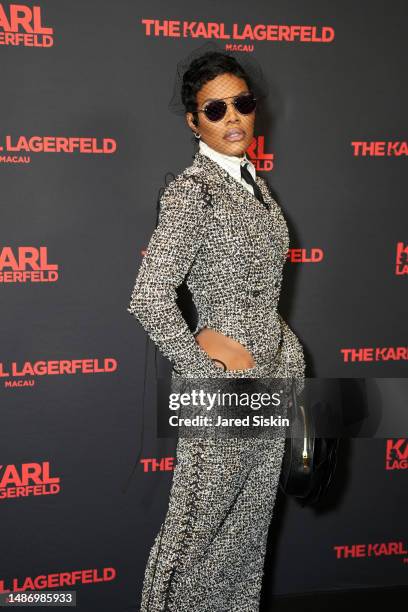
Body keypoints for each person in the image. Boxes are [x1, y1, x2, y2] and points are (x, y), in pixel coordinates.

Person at [127, 47, 305, 612]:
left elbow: (262, 295)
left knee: (246, 534)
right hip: (223, 387)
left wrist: (288, 358)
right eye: (215, 108)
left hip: (270, 380)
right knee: (195, 534)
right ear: (193, 120)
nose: (233, 117)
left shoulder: (256, 186)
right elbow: (148, 298)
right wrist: (206, 372)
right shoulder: (193, 190)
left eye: (243, 104)